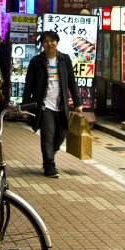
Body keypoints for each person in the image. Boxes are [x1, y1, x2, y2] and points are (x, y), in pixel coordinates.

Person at [22, 30, 83, 178]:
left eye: (52, 41)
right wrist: (24, 107)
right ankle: (49, 165)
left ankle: (50, 154)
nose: (49, 44)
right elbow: (28, 85)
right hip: (44, 105)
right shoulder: (36, 61)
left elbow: (71, 82)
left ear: (57, 42)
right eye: (46, 41)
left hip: (61, 104)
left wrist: (77, 102)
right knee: (48, 134)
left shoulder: (64, 59)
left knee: (61, 134)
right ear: (42, 44)